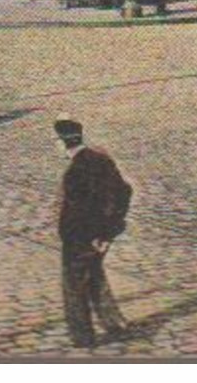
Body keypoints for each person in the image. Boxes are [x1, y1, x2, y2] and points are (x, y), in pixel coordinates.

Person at [54, 117, 132, 348]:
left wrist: (98, 235)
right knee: (95, 277)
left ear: (62, 142)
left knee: (75, 286)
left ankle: (83, 337)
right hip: (100, 236)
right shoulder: (100, 159)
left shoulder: (75, 172)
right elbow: (125, 191)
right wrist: (110, 232)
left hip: (81, 238)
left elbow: (81, 211)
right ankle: (114, 323)